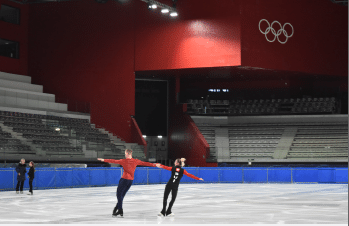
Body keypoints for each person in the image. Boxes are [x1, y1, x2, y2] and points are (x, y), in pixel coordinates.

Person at [98, 149, 160, 217]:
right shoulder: (135, 161)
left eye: (125, 153)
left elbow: (114, 161)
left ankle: (120, 210)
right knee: (122, 195)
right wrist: (155, 165)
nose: (125, 154)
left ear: (127, 153)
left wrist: (104, 160)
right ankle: (117, 208)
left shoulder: (123, 161)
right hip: (130, 181)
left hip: (124, 179)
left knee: (119, 194)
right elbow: (145, 163)